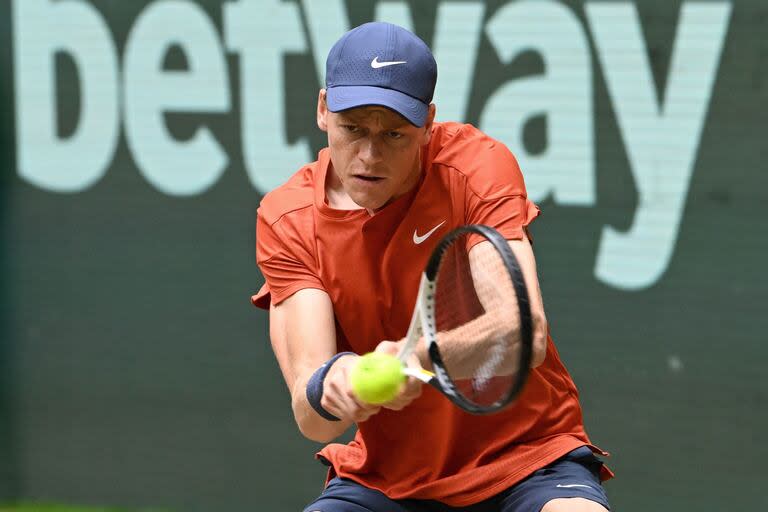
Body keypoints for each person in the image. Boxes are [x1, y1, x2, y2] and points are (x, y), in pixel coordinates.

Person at [252, 21, 612, 512]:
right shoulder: (287, 217)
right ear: (322, 110)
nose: (370, 154)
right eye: (353, 128)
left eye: (395, 134)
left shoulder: (474, 167)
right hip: (389, 483)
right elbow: (314, 419)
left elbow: (521, 331)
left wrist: (414, 361)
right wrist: (333, 384)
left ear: (427, 125)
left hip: (527, 459)